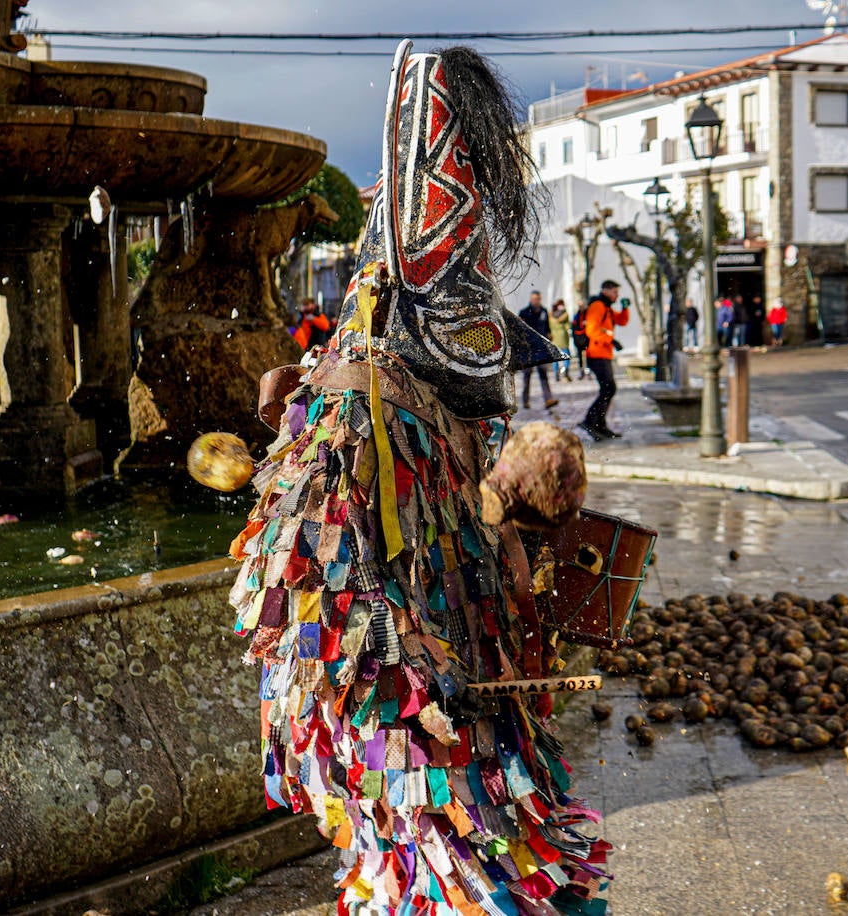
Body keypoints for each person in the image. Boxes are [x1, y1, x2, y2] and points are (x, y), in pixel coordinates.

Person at [228, 42, 610, 916]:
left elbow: (460, 546)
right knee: (459, 877)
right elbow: (302, 584)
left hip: (463, 716)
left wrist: (518, 593)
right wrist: (411, 666)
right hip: (410, 736)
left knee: (520, 865)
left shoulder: (439, 431)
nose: (495, 396)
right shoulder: (361, 409)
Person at [580, 279, 629, 440]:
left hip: (604, 354)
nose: (617, 295)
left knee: (608, 389)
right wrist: (611, 340)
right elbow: (592, 330)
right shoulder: (598, 306)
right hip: (596, 355)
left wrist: (625, 308)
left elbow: (621, 321)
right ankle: (590, 421)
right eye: (615, 292)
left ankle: (599, 425)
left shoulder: (607, 308)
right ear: (606, 291)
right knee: (609, 388)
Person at [517, 290, 558, 408]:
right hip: (529, 349)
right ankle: (525, 401)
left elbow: (547, 327)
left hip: (541, 349)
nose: (537, 301)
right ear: (531, 299)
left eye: (538, 299)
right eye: (535, 299)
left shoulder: (544, 311)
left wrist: (549, 335)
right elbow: (520, 330)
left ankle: (548, 399)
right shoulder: (524, 312)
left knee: (543, 374)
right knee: (527, 375)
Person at [548, 297, 573, 381]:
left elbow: (549, 326)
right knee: (566, 355)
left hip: (554, 338)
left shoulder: (551, 315)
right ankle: (565, 371)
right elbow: (568, 327)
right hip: (563, 337)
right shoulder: (565, 314)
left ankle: (556, 373)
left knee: (555, 357)